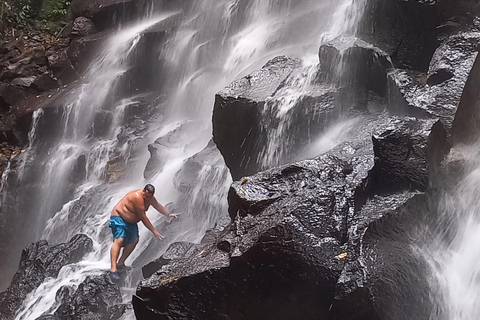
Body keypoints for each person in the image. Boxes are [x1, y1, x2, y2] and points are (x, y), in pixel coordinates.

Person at [109, 184, 178, 280]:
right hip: (119, 217)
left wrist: (168, 214)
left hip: (131, 223)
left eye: (149, 197)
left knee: (134, 240)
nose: (147, 198)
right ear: (143, 191)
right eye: (145, 196)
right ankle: (113, 269)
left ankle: (120, 263)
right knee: (119, 240)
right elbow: (143, 217)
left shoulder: (150, 198)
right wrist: (154, 231)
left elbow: (157, 206)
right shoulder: (137, 197)